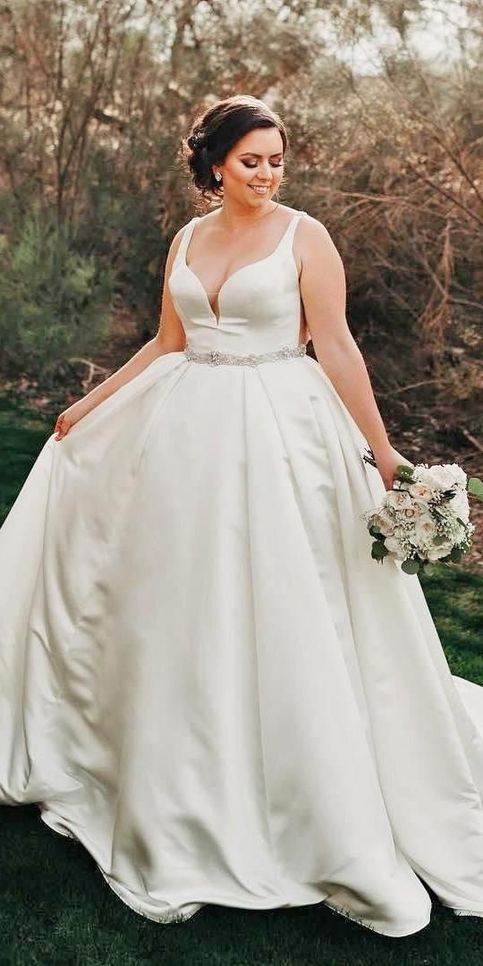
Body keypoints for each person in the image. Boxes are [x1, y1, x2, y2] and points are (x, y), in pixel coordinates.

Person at [1, 93, 483, 939]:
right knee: (182, 596)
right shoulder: (187, 238)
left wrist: (384, 453)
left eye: (277, 159)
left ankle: (310, 785)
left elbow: (334, 344)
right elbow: (167, 341)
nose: (267, 174)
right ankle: (175, 763)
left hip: (281, 429)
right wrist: (93, 401)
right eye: (252, 159)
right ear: (216, 162)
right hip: (185, 427)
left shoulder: (306, 236)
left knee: (288, 596)